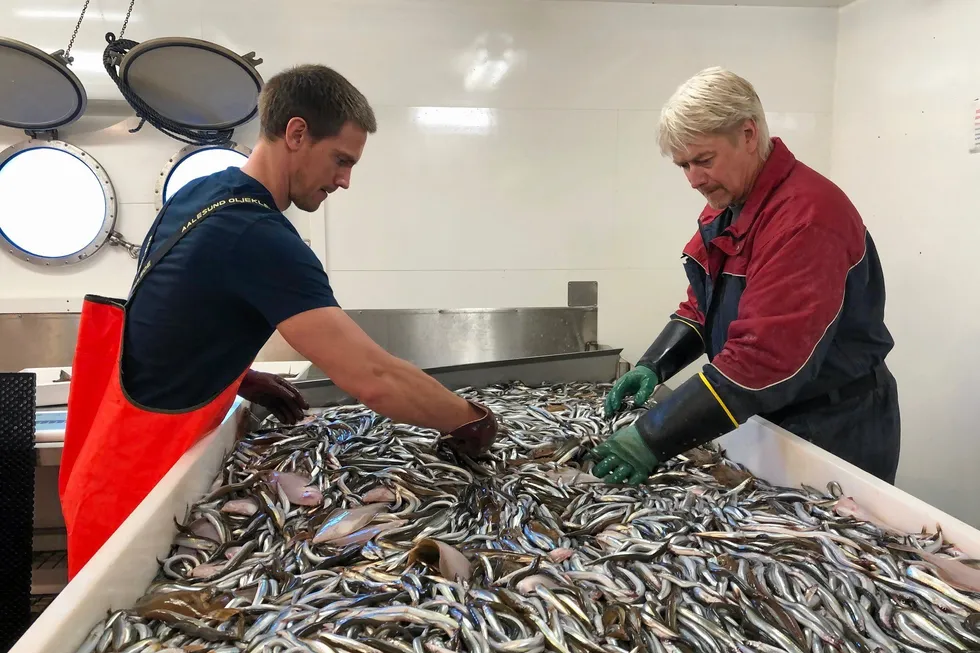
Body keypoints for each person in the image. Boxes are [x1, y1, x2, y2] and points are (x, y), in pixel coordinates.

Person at [59, 64, 499, 578]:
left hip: (107, 464)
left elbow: (170, 315)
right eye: (341, 160)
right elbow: (374, 379)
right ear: (296, 133)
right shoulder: (258, 236)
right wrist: (468, 418)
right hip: (139, 493)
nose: (345, 180)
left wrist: (240, 378)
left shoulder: (200, 193)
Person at [592, 67, 900, 486]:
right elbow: (705, 304)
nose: (694, 180)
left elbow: (762, 358)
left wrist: (649, 438)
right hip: (772, 414)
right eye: (683, 165)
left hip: (835, 426)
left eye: (703, 160)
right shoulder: (729, 204)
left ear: (749, 135)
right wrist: (654, 365)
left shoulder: (806, 218)